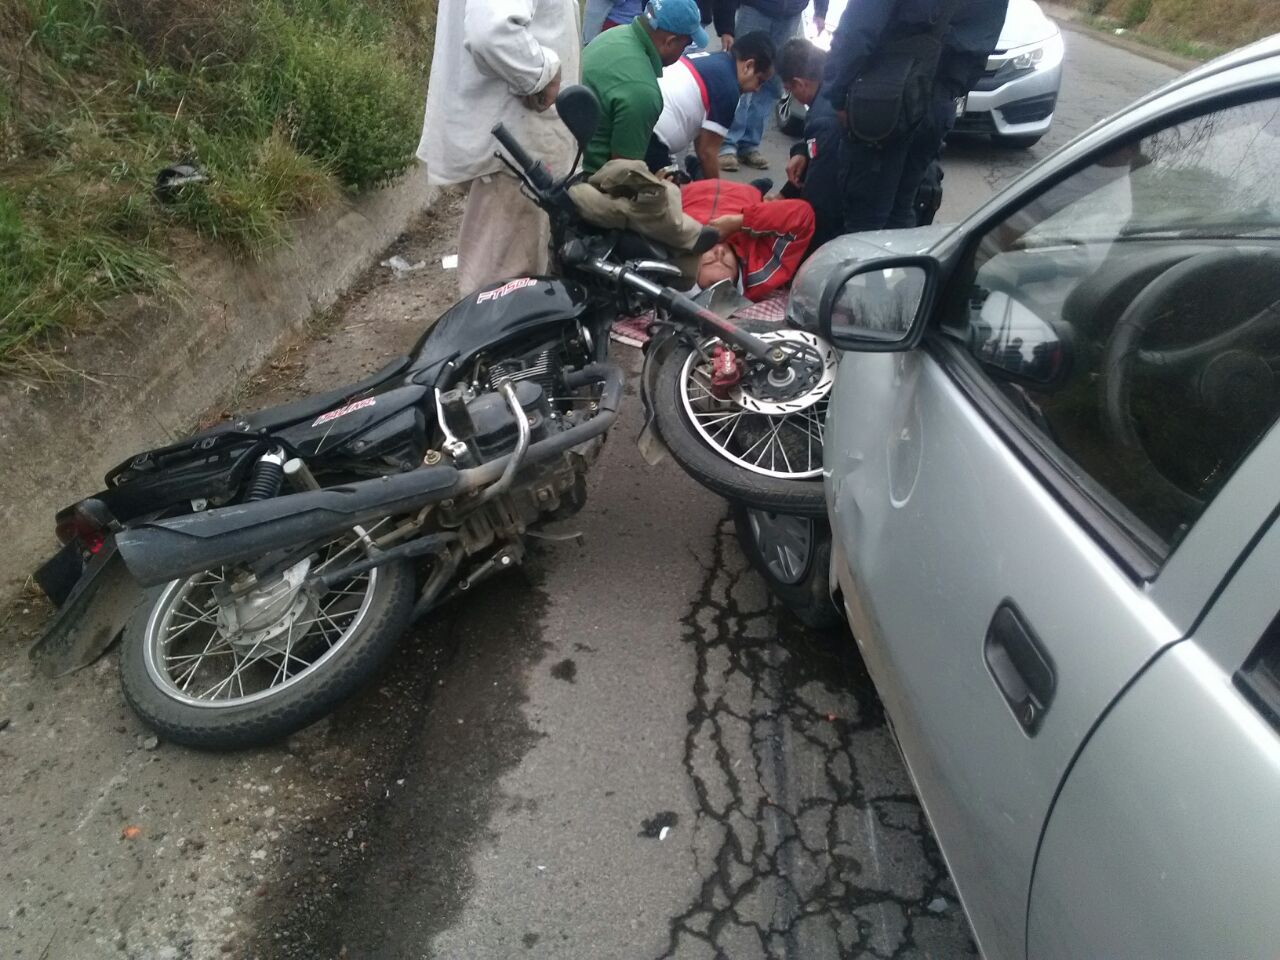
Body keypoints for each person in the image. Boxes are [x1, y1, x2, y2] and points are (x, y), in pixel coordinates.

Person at [419, 0, 579, 294]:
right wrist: (540, 74)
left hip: (512, 143)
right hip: (516, 149)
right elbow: (491, 31)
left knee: (510, 285)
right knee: (503, 294)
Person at [821, 0, 958, 233]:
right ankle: (895, 267)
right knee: (902, 210)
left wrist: (838, 94)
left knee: (867, 219)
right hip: (935, 98)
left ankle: (864, 269)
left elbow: (857, 34)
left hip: (886, 101)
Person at [886, 0, 1009, 228]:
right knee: (904, 200)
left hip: (900, 94)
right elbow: (979, 56)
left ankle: (873, 259)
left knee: (877, 200)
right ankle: (899, 255)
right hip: (939, 98)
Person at [581, 0, 709, 175]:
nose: (684, 51)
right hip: (586, 178)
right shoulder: (644, 92)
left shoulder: (613, 35)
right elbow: (622, 176)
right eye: (686, 44)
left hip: (567, 154)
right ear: (670, 42)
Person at [716, 0, 828, 172]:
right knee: (744, 75)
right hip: (755, 8)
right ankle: (727, 144)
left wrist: (820, 11)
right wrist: (726, 27)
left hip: (791, 14)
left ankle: (749, 145)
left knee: (773, 82)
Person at [647, 32, 776, 179]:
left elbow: (703, 140)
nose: (757, 89)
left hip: (641, 120)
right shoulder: (729, 89)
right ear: (748, 65)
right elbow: (707, 152)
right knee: (673, 197)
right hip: (651, 140)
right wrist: (716, 194)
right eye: (759, 81)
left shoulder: (713, 59)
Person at [680, 179, 815, 300]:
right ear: (738, 276)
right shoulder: (758, 271)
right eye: (726, 264)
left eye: (709, 262)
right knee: (762, 199)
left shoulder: (680, 247)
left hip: (695, 189)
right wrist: (740, 222)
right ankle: (757, 190)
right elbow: (803, 215)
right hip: (745, 195)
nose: (719, 252)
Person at [774, 38, 843, 249]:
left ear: (799, 83)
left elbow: (818, 196)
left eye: (789, 89)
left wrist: (784, 213)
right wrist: (802, 150)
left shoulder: (824, 119)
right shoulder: (835, 82)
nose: (791, 95)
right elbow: (815, 150)